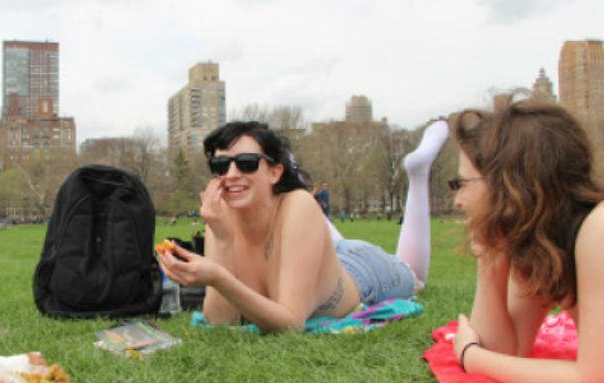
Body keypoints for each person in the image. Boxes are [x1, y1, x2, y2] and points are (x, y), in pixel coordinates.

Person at [158, 120, 448, 332]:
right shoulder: (220, 215)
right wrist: (222, 240)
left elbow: (291, 322)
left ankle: (418, 173)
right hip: (315, 250)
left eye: (247, 163)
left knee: (416, 277)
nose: (231, 174)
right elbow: (221, 323)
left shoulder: (298, 205)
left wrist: (219, 278)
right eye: (221, 165)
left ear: (274, 172)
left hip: (364, 272)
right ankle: (287, 171)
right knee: (300, 217)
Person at [450, 97, 604, 383]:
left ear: (509, 185)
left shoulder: (597, 230)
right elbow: (508, 351)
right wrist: (489, 260)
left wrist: (472, 357)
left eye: (461, 183)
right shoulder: (544, 243)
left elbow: (593, 381)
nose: (457, 201)